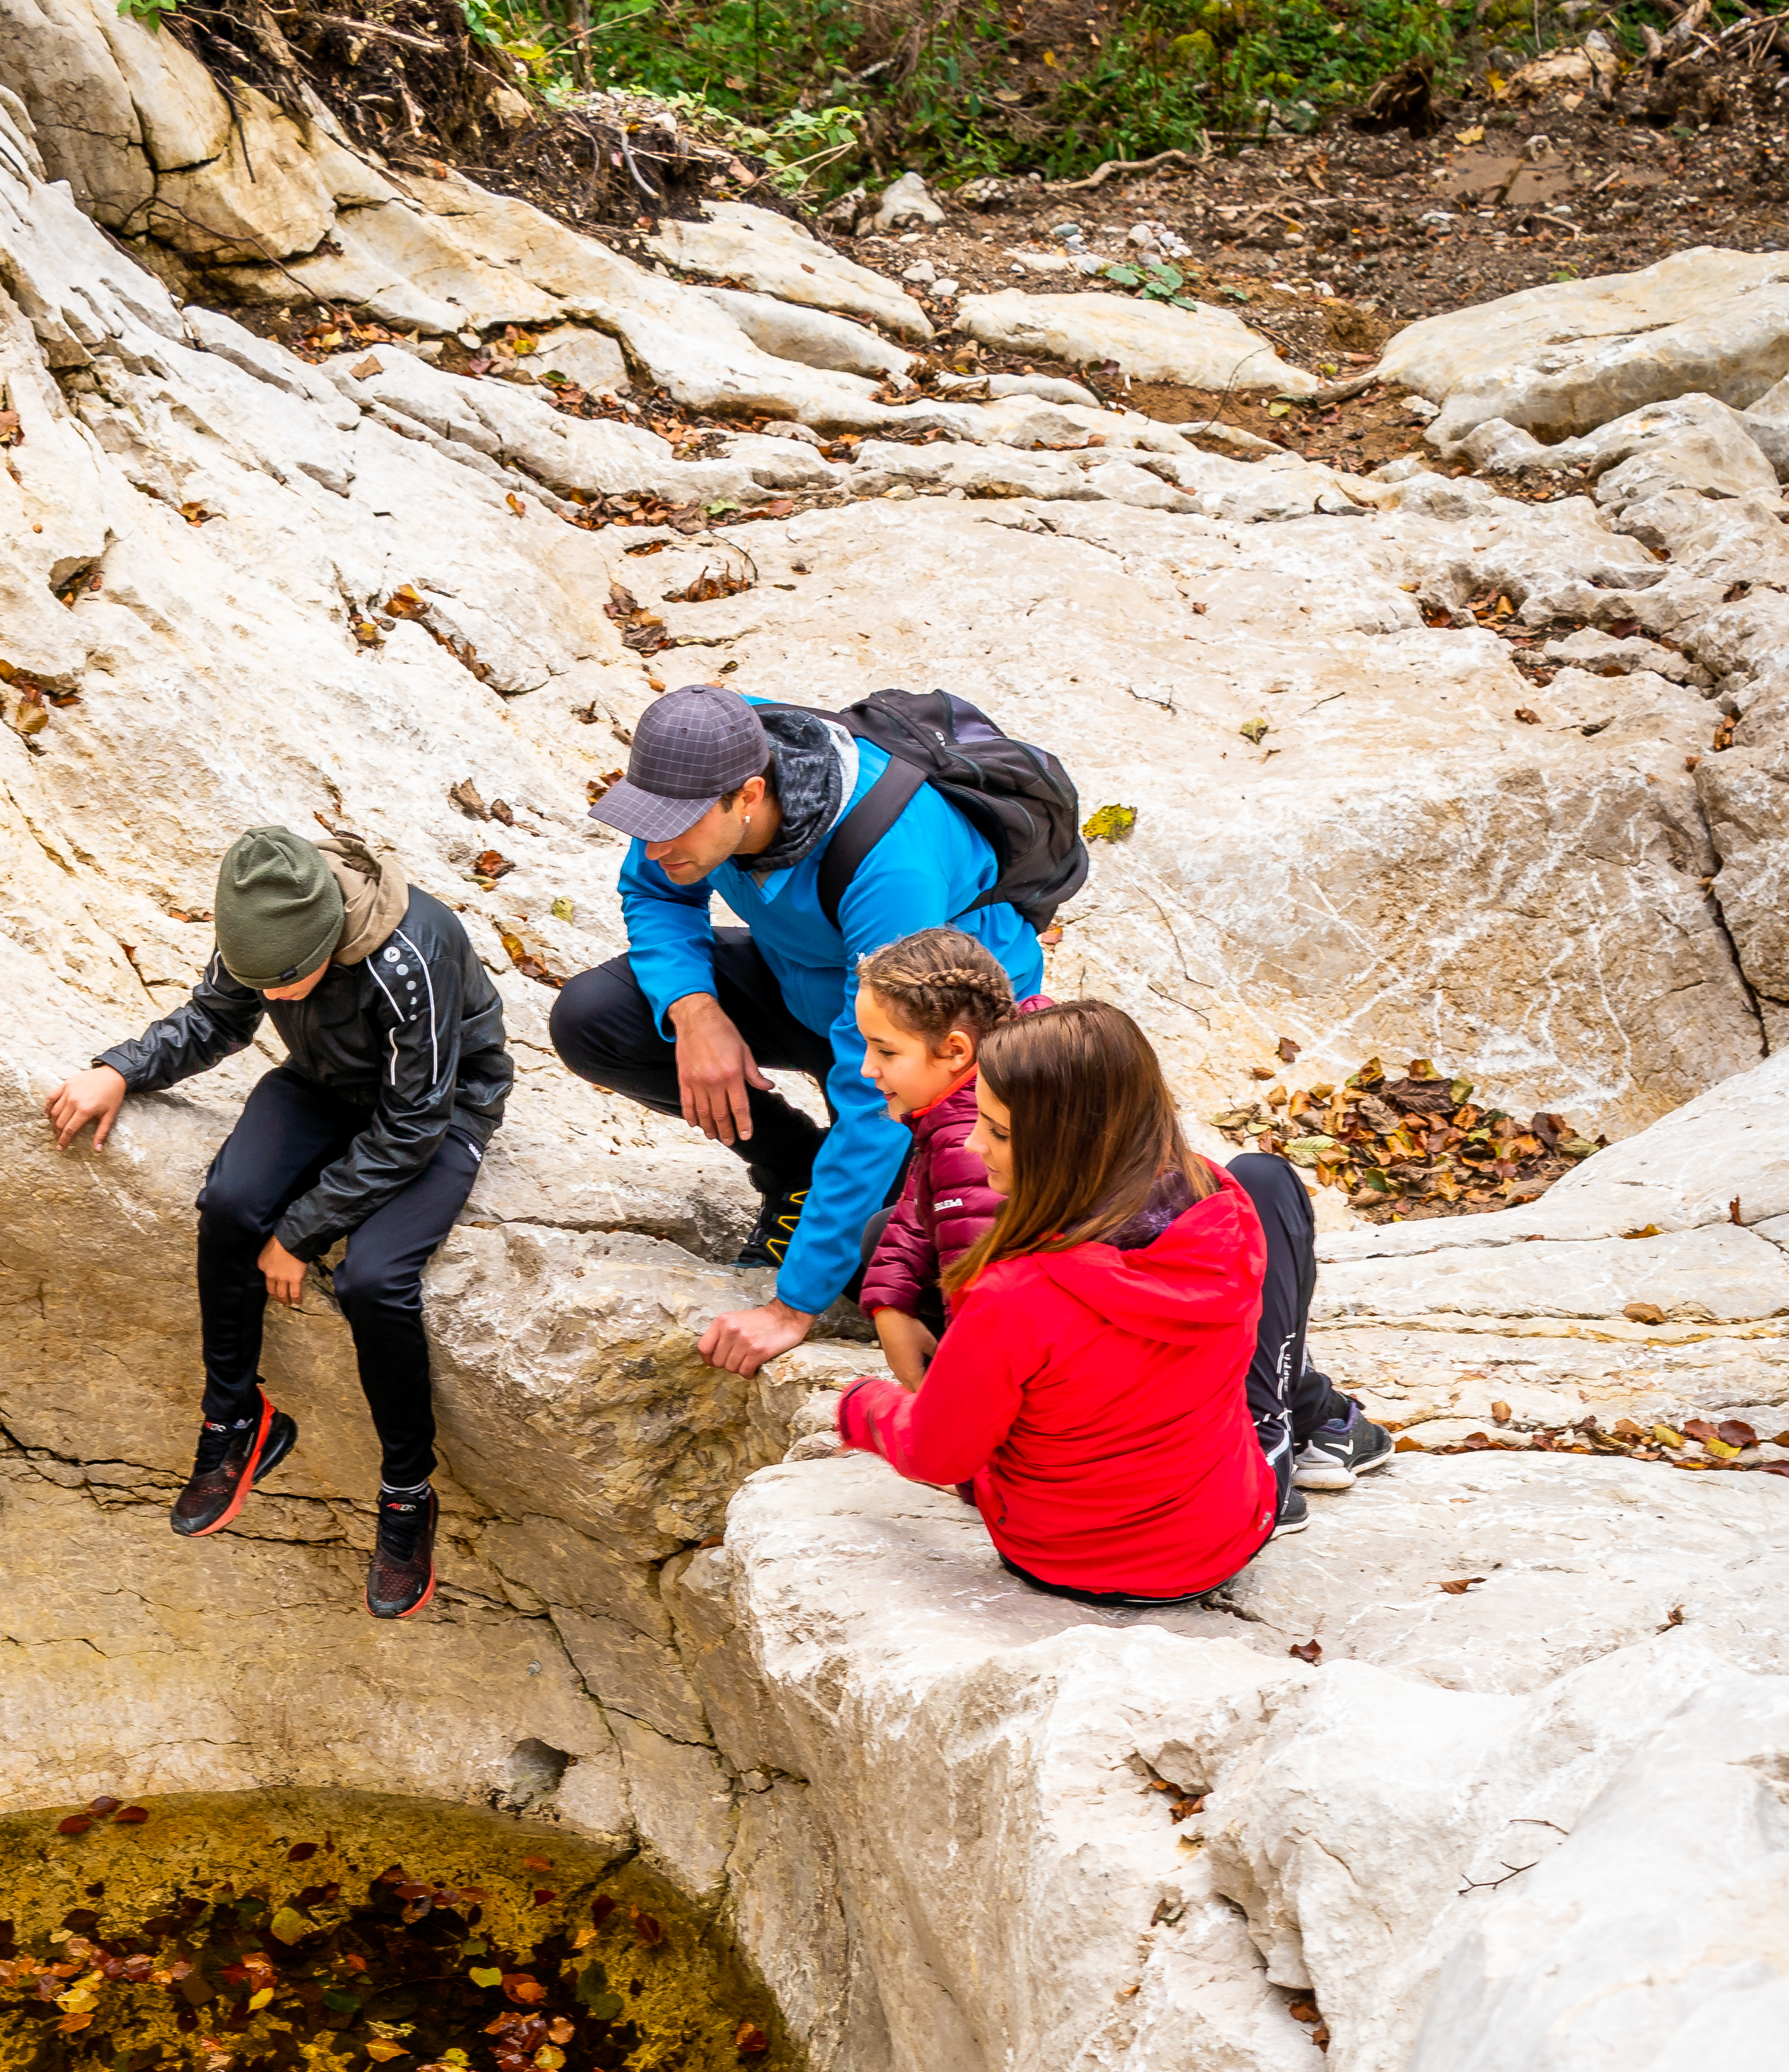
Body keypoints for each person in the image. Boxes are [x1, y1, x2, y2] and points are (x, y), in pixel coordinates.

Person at [45, 824, 511, 1621]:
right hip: (325, 1083)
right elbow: (217, 1020)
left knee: (372, 1279)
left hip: (438, 1112)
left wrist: (299, 1231)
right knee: (228, 1204)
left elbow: (410, 1125)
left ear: (329, 930)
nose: (279, 996)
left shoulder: (413, 955)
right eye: (267, 982)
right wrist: (118, 1068)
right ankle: (235, 1418)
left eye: (291, 981)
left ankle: (406, 1493)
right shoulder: (257, 932)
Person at [548, 684, 1044, 1376]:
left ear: (748, 795)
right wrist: (694, 1011)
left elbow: (874, 1093)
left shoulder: (890, 859)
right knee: (594, 1020)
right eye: (646, 820)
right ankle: (793, 1168)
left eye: (674, 827)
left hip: (928, 1037)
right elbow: (655, 890)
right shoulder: (697, 770)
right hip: (808, 981)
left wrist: (791, 1306)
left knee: (873, 1264)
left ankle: (830, 1213)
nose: (653, 845)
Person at [832, 996, 1392, 1608]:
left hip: (1064, 1559)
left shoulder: (1014, 1292)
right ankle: (1310, 1415)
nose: (970, 1144)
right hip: (1227, 1540)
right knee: (1269, 1176)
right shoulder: (1223, 1209)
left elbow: (937, 1453)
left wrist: (863, 1406)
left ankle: (1299, 1417)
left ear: (1062, 1144)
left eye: (997, 1131)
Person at [850, 927, 1020, 1392]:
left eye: (886, 1050)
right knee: (883, 1231)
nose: (868, 1068)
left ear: (955, 1050)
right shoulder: (977, 1090)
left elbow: (981, 1300)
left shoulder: (970, 1139)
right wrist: (888, 1304)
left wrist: (953, 1418)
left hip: (1049, 1345)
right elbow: (918, 1205)